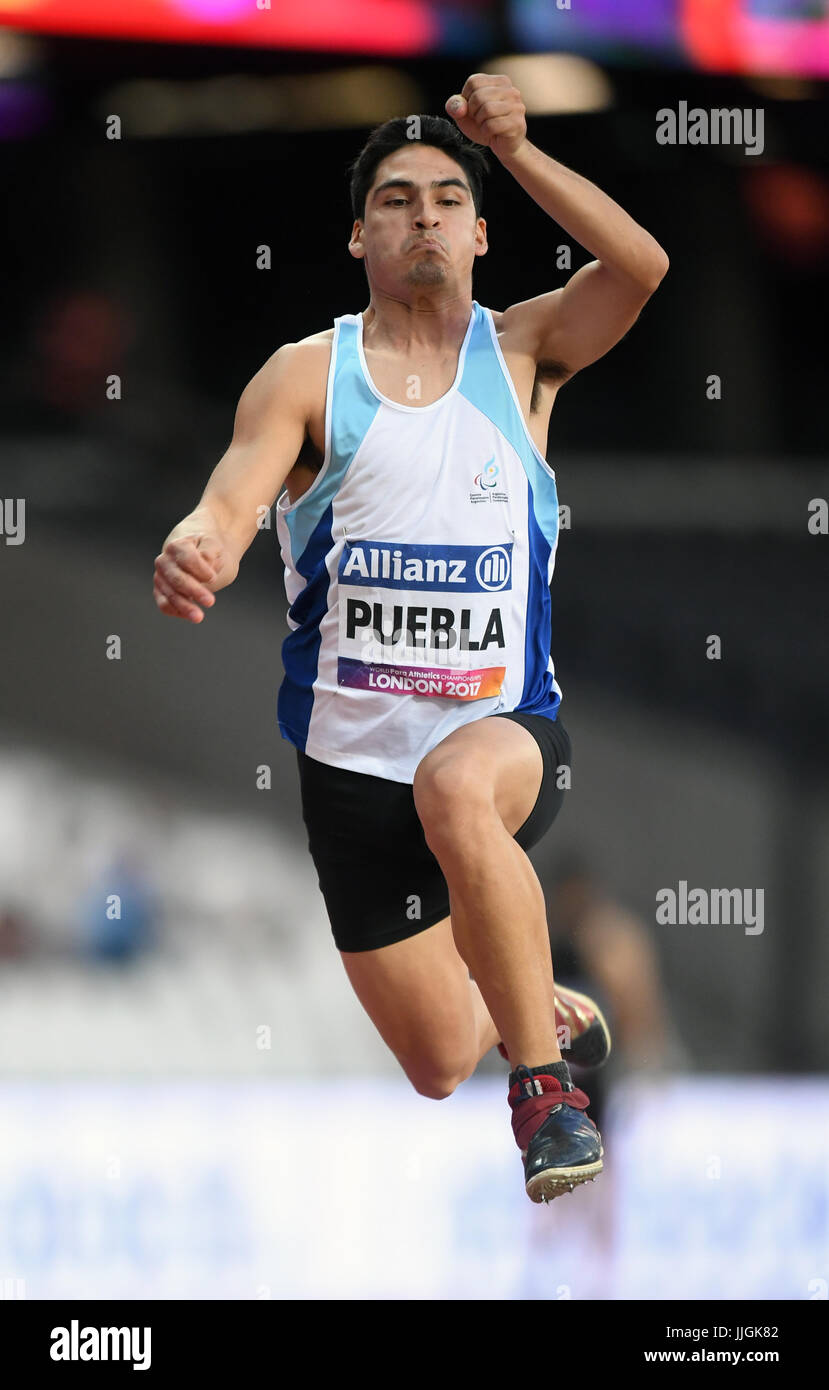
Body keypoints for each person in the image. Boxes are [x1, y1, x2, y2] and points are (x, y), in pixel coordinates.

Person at [153, 74, 668, 1203]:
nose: (423, 214)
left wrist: (523, 151)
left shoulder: (524, 355)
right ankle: (513, 1008)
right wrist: (201, 541)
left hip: (506, 732)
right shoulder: (306, 374)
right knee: (437, 1060)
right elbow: (231, 498)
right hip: (350, 776)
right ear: (358, 233)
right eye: (394, 199)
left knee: (454, 787)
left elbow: (638, 269)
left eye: (446, 197)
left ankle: (545, 1095)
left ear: (483, 233)